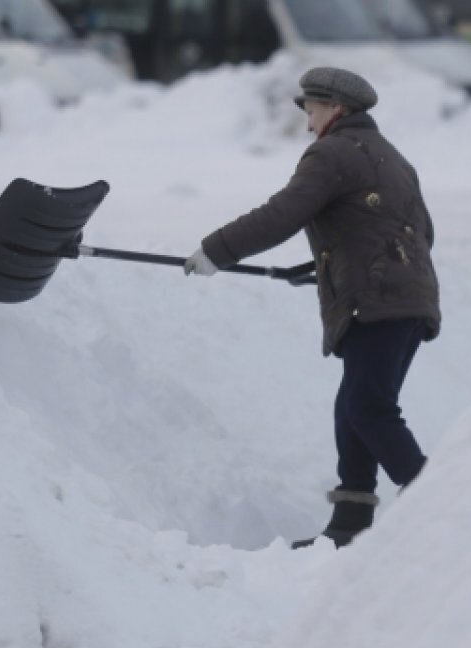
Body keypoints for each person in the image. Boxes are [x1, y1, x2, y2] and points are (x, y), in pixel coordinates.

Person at [184, 67, 441, 549]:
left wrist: (217, 250)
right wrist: (335, 264)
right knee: (353, 407)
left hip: (380, 301)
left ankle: (440, 505)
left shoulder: (332, 152)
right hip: (406, 298)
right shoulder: (390, 156)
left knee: (369, 407)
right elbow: (416, 231)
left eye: (312, 110)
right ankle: (349, 524)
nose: (307, 123)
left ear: (335, 109)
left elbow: (283, 213)